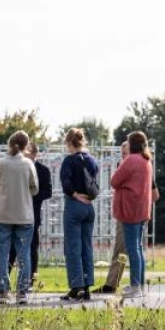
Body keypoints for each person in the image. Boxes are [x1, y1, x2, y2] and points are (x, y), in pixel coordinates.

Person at [0, 141, 52, 293]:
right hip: (18, 213)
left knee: (29, 249)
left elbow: (47, 191)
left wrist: (29, 196)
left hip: (30, 212)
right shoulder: (18, 165)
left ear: (34, 153)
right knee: (12, 251)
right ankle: (6, 283)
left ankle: (28, 281)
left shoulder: (42, 170)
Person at [97, 142, 160, 294]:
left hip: (130, 212)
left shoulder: (132, 165)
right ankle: (127, 283)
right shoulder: (144, 164)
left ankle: (116, 284)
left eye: (125, 153)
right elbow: (154, 194)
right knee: (133, 248)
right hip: (138, 213)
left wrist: (134, 199)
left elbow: (155, 194)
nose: (123, 157)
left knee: (124, 248)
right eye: (122, 154)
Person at [0, 131, 39, 305]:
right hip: (24, 214)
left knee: (2, 254)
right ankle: (22, 292)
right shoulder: (28, 164)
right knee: (24, 254)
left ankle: (3, 291)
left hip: (2, 213)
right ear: (26, 146)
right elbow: (35, 188)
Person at [109, 131, 155, 298]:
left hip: (130, 209)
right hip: (142, 209)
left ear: (132, 144)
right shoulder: (146, 161)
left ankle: (135, 286)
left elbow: (114, 181)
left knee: (132, 247)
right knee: (139, 247)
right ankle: (140, 284)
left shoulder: (131, 160)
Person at [59, 127, 99, 301]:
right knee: (87, 246)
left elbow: (66, 185)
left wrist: (75, 195)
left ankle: (77, 286)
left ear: (69, 143)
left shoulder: (69, 161)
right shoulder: (92, 161)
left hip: (75, 206)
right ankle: (88, 285)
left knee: (73, 248)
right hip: (89, 207)